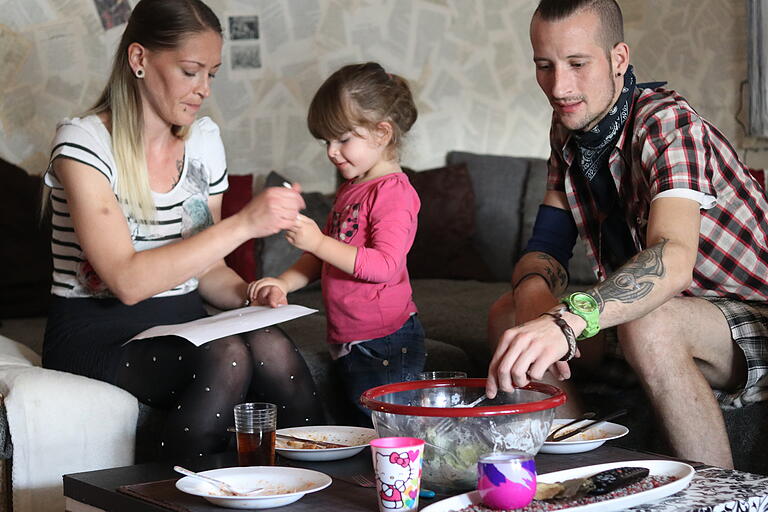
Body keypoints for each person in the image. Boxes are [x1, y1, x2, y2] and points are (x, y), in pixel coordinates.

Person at [486, 0, 768, 469]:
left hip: (749, 320)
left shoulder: (667, 122)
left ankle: (720, 497)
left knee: (649, 322)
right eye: (544, 66)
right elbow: (545, 249)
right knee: (507, 316)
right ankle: (581, 480)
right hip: (661, 315)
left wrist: (566, 323)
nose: (559, 87)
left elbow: (672, 259)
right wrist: (535, 308)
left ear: (619, 59)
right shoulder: (568, 130)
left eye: (577, 63)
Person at [41, 0, 323, 461]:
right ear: (139, 59)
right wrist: (244, 223)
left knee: (268, 341)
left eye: (211, 73)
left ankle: (328, 482)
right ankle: (163, 492)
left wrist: (252, 294)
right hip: (97, 331)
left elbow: (208, 268)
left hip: (181, 320)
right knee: (227, 355)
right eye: (191, 71)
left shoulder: (204, 142)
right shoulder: (83, 144)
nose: (204, 89)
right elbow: (128, 282)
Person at [249, 62, 424, 425]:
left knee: (389, 432)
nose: (331, 151)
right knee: (361, 429)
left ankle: (403, 482)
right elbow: (322, 256)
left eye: (343, 139)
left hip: (385, 341)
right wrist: (284, 282)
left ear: (382, 133)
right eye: (325, 141)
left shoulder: (393, 192)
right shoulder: (352, 189)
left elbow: (384, 266)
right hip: (351, 338)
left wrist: (317, 240)